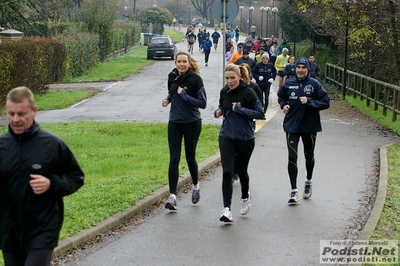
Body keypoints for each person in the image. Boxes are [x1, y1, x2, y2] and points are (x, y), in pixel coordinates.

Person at [0, 86, 85, 266]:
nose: (15, 119)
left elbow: (76, 177)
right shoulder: (2, 147)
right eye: (11, 114)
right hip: (9, 231)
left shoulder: (52, 145)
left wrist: (51, 183)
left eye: (21, 114)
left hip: (42, 229)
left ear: (34, 111)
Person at [214, 64, 264, 222]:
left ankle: (244, 197)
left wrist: (241, 109)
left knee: (242, 172)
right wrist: (218, 111)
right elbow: (222, 106)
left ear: (240, 77)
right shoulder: (224, 91)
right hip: (227, 135)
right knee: (227, 172)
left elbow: (260, 113)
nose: (229, 81)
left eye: (232, 78)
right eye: (227, 78)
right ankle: (226, 209)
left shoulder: (249, 92)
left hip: (245, 138)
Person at [277, 57, 330, 204]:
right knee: (292, 157)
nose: (300, 70)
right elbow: (281, 97)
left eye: (303, 68)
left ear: (307, 69)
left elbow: (326, 102)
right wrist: (284, 105)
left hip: (309, 126)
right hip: (292, 126)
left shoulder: (314, 85)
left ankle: (308, 181)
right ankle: (294, 191)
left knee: (309, 156)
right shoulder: (289, 83)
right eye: (298, 67)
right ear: (295, 69)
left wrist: (310, 102)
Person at [162, 51, 207, 210]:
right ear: (175, 63)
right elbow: (172, 91)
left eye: (184, 62)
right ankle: (172, 196)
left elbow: (203, 103)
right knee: (174, 158)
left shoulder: (195, 79)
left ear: (189, 63)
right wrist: (168, 99)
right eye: (179, 61)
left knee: (190, 157)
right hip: (175, 122)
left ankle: (195, 186)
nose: (181, 64)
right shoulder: (172, 77)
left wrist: (185, 96)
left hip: (192, 123)